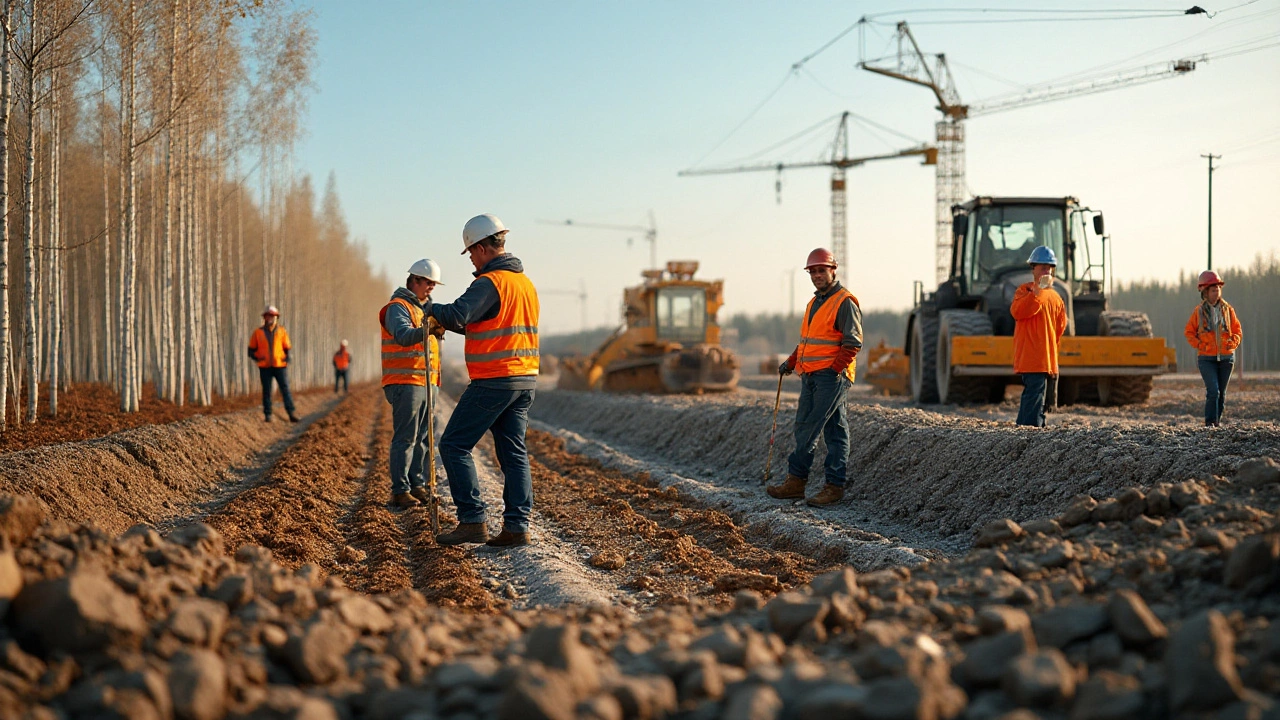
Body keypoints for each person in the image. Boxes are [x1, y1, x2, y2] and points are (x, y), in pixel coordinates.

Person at [428, 213, 539, 547]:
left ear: (483, 247)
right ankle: (517, 527)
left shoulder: (490, 282)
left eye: (472, 252)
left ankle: (472, 520)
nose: (472, 259)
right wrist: (450, 321)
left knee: (454, 444)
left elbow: (460, 313)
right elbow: (478, 322)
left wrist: (430, 310)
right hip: (525, 379)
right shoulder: (524, 284)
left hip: (495, 378)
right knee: (513, 452)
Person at [766, 248, 862, 507]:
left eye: (822, 270)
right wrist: (792, 362)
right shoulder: (814, 303)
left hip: (831, 377)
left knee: (808, 427)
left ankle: (802, 481)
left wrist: (834, 371)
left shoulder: (844, 301)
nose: (817, 275)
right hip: (811, 375)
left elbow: (853, 343)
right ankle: (820, 486)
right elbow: (809, 342)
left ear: (833, 270)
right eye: (813, 271)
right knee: (835, 430)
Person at [380, 259, 445, 509]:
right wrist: (428, 329)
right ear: (414, 280)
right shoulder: (398, 307)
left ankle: (418, 484)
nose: (431, 288)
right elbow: (404, 336)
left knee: (424, 437)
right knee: (406, 437)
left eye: (433, 284)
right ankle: (400, 490)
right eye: (428, 283)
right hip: (405, 381)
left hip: (426, 382)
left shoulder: (422, 308)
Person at [1010, 246, 1068, 427]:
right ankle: (1030, 430)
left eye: (1049, 268)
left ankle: (1030, 428)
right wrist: (1037, 292)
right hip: (1031, 357)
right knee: (1034, 393)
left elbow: (1060, 328)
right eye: (1043, 267)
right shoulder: (1025, 291)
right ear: (1033, 268)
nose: (1047, 271)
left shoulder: (1056, 298)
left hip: (1046, 358)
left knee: (1040, 396)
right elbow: (1019, 312)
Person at [1184, 270, 1242, 427]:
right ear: (1205, 292)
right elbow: (1189, 332)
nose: (1216, 293)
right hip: (1206, 359)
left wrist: (1233, 343)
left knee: (1221, 394)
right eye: (1213, 290)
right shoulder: (1198, 312)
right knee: (1213, 391)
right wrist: (1199, 345)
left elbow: (1237, 330)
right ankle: (1210, 424)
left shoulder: (1228, 310)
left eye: (1218, 289)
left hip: (1226, 358)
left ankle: (1217, 422)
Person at [248, 305, 299, 423]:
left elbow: (287, 348)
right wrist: (257, 358)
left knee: (285, 389)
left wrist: (287, 358)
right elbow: (251, 350)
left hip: (279, 365)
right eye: (268, 316)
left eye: (273, 316)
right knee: (267, 390)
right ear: (265, 317)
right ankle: (268, 415)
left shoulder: (282, 331)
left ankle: (291, 413)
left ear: (276, 317)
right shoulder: (257, 333)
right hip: (264, 366)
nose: (270, 318)